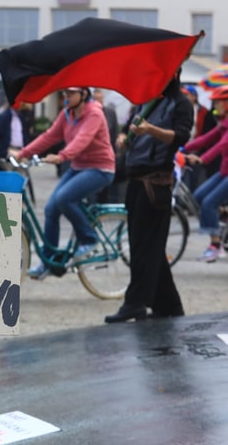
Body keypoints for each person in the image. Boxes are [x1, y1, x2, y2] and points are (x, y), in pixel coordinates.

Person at [105, 74, 192, 323]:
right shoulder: (145, 101)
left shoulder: (180, 103)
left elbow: (181, 137)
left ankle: (134, 303)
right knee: (145, 245)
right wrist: (124, 137)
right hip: (135, 179)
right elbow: (129, 127)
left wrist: (151, 130)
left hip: (156, 183)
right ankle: (169, 305)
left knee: (146, 247)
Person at [14, 87, 115, 280]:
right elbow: (49, 136)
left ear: (84, 94)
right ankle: (48, 260)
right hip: (78, 167)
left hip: (100, 168)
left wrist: (62, 156)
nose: (66, 97)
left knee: (64, 199)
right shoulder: (66, 114)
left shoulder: (94, 113)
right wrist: (23, 153)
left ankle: (89, 238)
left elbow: (82, 140)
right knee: (51, 208)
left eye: (70, 93)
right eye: (64, 94)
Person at [182, 86, 228, 262]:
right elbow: (207, 139)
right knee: (199, 195)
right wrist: (182, 147)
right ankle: (223, 216)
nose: (215, 105)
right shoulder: (223, 123)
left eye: (218, 102)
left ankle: (215, 246)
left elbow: (222, 145)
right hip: (224, 171)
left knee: (209, 202)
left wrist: (203, 159)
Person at [181, 83, 217, 192]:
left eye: (187, 95)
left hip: (198, 152)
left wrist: (202, 158)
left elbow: (218, 144)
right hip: (185, 146)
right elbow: (207, 138)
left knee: (194, 182)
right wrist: (185, 148)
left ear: (194, 96)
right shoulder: (180, 109)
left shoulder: (204, 112)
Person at [0, 101, 33, 169]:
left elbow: (26, 133)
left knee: (23, 176)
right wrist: (5, 152)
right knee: (10, 175)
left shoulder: (21, 116)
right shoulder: (4, 116)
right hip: (10, 151)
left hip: (21, 150)